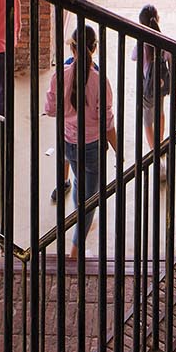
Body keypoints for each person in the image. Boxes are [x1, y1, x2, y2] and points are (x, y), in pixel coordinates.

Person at [43, 23, 118, 259]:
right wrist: (119, 151)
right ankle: (74, 252)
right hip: (92, 146)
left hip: (68, 142)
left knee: (78, 183)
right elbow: (107, 123)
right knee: (90, 200)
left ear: (72, 49)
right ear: (94, 48)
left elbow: (50, 110)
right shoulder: (100, 81)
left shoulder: (59, 76)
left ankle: (78, 222)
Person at [130, 4, 176, 182]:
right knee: (161, 114)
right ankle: (161, 144)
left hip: (147, 89)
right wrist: (175, 89)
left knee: (147, 121)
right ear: (158, 19)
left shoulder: (142, 43)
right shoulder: (164, 41)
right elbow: (171, 62)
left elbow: (133, 57)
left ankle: (155, 154)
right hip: (161, 88)